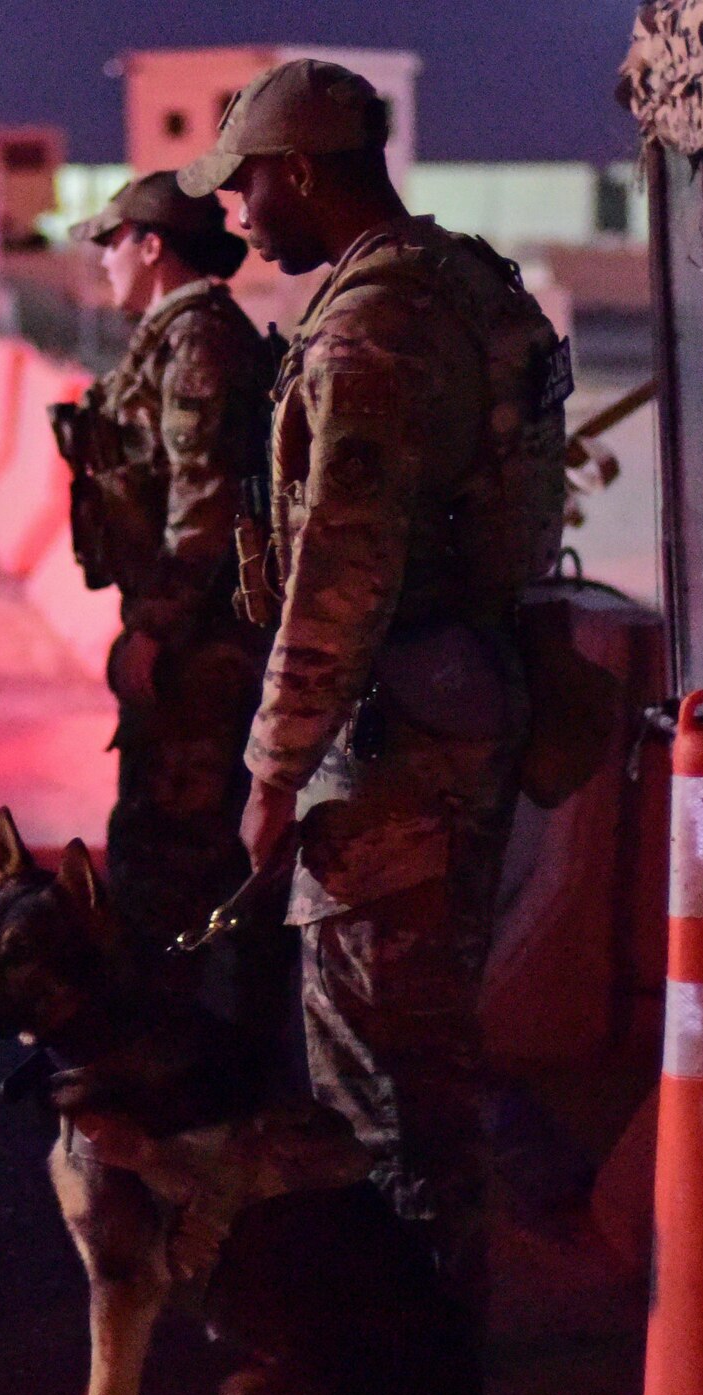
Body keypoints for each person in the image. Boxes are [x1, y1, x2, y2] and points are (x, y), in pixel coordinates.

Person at [178, 59, 570, 1313]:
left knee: (380, 1094)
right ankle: (433, 1389)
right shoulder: (449, 280)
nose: (232, 213)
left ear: (299, 170)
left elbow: (342, 565)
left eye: (242, 185)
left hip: (390, 742)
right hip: (452, 706)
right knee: (426, 1067)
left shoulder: (368, 330)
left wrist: (272, 769)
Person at [57, 172, 277, 984]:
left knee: (173, 852)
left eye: (112, 242)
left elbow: (204, 504)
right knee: (171, 846)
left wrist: (155, 625)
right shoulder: (174, 337)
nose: (104, 260)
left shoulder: (198, 346)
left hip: (204, 640)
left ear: (152, 246)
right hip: (192, 628)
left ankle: (187, 1053)